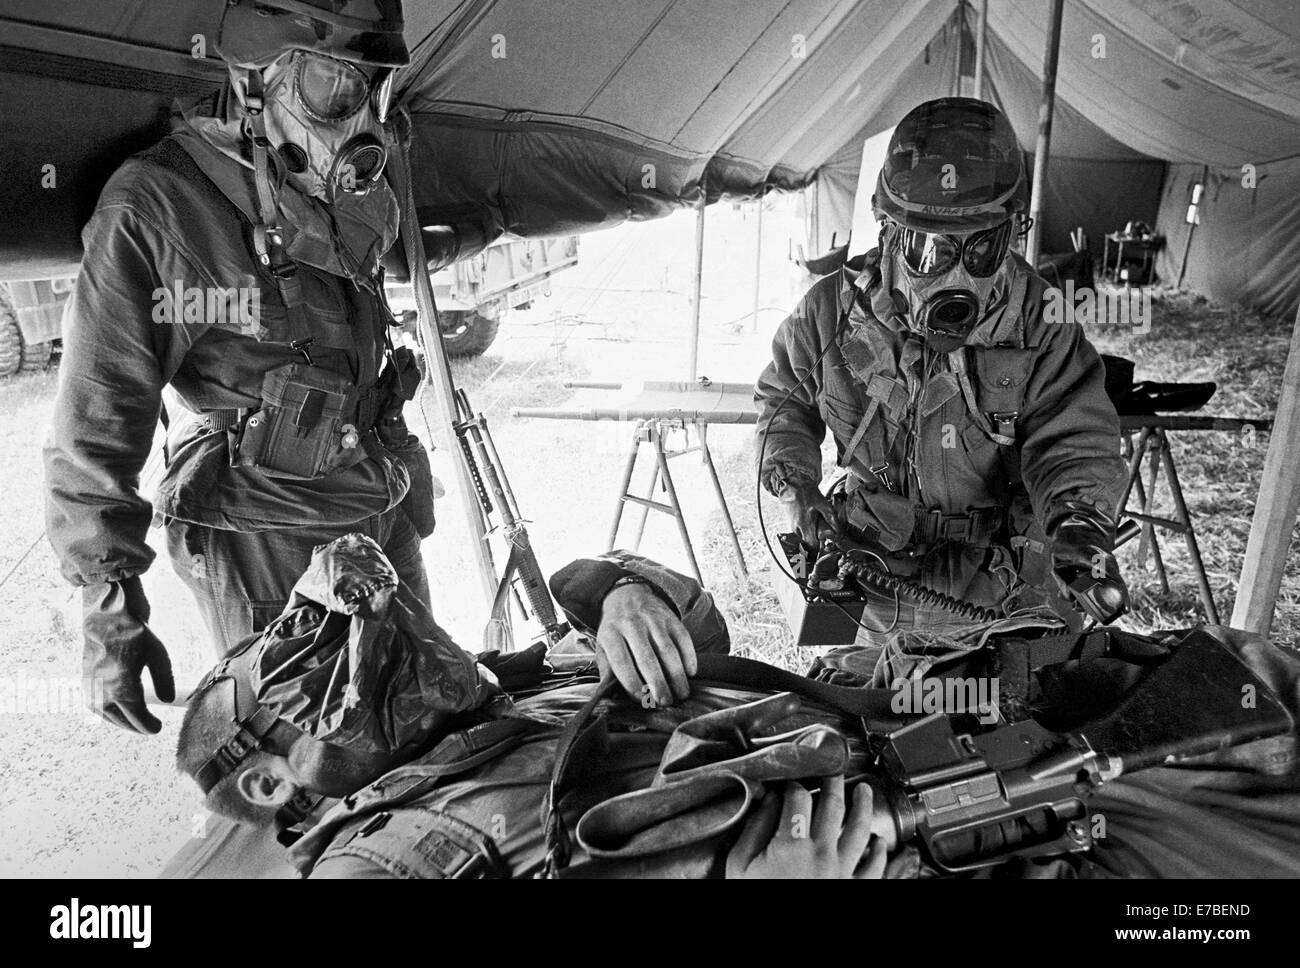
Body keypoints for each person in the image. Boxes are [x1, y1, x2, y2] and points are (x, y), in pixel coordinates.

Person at [44, 0, 439, 735]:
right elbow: (96, 419)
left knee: (424, 716)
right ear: (254, 81)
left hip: (371, 498)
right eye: (335, 86)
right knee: (313, 760)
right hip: (264, 531)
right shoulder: (160, 206)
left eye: (378, 86)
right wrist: (110, 612)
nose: (364, 119)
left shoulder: (343, 190)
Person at [172, 535, 883, 879]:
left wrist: (619, 592)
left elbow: (703, 631)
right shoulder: (373, 867)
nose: (349, 626)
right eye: (296, 665)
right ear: (269, 780)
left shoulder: (520, 688)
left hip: (925, 744)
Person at [755, 97, 1130, 649]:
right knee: (866, 719)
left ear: (1013, 235)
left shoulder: (1042, 321)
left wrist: (1078, 524)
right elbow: (784, 404)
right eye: (929, 251)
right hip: (875, 573)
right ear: (887, 233)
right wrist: (797, 485)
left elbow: (1073, 442)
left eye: (982, 250)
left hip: (1006, 587)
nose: (957, 275)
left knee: (1017, 729)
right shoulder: (829, 314)